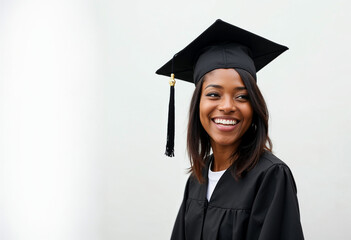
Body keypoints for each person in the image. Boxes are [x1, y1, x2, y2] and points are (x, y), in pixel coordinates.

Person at [156, 19, 304, 240]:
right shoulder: (198, 178)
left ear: (254, 106)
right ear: (198, 105)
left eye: (241, 96)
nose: (227, 106)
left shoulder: (271, 177)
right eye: (214, 94)